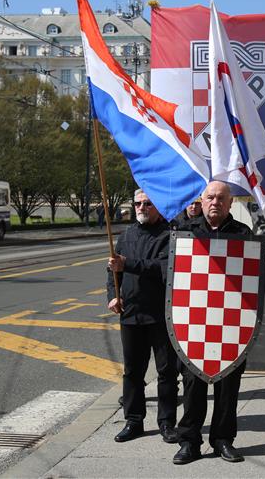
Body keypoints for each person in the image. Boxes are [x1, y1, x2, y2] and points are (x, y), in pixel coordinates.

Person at [173, 181, 251, 465]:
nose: (215, 202)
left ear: (230, 204)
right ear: (202, 201)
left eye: (221, 198)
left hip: (231, 324)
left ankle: (222, 440)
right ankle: (189, 442)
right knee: (193, 386)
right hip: (194, 325)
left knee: (228, 388)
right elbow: (166, 271)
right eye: (210, 197)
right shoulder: (185, 233)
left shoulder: (244, 235)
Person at [107, 189, 179, 445]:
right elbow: (113, 270)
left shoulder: (169, 235)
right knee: (132, 372)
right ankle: (133, 420)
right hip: (131, 314)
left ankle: (167, 423)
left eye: (148, 203)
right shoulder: (126, 235)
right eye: (138, 203)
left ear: (158, 207)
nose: (142, 207)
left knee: (167, 372)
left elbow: (163, 268)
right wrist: (113, 295)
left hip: (161, 315)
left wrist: (128, 264)